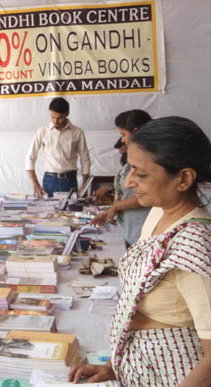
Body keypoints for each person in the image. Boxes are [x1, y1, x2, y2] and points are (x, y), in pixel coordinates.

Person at [70, 117, 211, 386]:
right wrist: (114, 366)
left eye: (140, 173)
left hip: (176, 375)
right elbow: (137, 309)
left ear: (184, 178)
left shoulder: (195, 244)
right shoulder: (159, 212)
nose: (129, 182)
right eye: (130, 169)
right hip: (142, 367)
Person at [90, 110, 152, 248]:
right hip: (130, 229)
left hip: (141, 230)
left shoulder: (149, 159)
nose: (122, 140)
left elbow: (148, 195)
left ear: (136, 132)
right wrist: (109, 212)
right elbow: (127, 194)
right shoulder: (135, 158)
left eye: (123, 134)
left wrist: (116, 206)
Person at [26, 97, 91, 198]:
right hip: (49, 181)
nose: (55, 121)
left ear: (67, 114)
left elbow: (85, 159)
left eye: (59, 118)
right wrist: (35, 183)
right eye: (52, 117)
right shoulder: (43, 131)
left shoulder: (77, 132)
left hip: (70, 180)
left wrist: (84, 185)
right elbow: (30, 158)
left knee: (70, 212)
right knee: (47, 212)